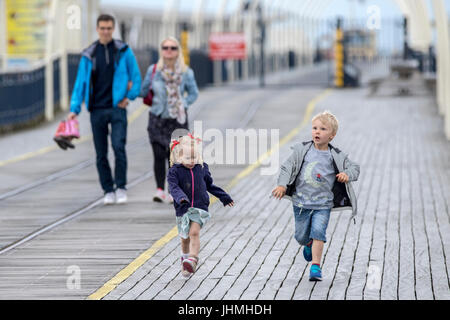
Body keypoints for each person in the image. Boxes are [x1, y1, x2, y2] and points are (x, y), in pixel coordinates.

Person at [271, 111, 359, 281]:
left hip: (323, 204)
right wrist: (282, 185)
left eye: (323, 129)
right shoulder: (302, 151)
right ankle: (308, 244)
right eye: (315, 128)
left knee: (319, 231)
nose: (317, 132)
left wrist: (347, 174)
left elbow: (355, 168)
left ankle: (316, 266)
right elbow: (286, 167)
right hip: (301, 202)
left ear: (332, 136)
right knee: (301, 236)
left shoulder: (336, 155)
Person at [67, 14, 141, 205]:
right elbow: (80, 84)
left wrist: (129, 97)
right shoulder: (89, 54)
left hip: (117, 108)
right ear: (97, 29)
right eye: (103, 28)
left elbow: (136, 77)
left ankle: (121, 187)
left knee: (118, 147)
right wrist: (74, 108)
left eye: (109, 28)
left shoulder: (123, 51)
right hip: (97, 110)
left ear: (113, 29)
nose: (106, 31)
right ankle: (108, 190)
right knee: (101, 153)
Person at [140, 36, 199, 203]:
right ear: (161, 51)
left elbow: (194, 93)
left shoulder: (187, 72)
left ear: (177, 51)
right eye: (165, 48)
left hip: (177, 120)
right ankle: (160, 190)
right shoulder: (154, 71)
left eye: (173, 48)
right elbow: (144, 91)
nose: (169, 51)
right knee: (158, 154)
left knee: (175, 158)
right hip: (157, 118)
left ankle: (174, 190)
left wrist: (183, 104)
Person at [167, 134, 234, 277]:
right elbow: (173, 188)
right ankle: (185, 261)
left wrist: (224, 196)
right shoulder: (174, 171)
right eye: (187, 158)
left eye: (194, 157)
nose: (192, 161)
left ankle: (193, 260)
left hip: (199, 207)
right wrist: (181, 198)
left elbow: (209, 185)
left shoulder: (202, 168)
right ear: (179, 157)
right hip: (183, 208)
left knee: (194, 233)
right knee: (185, 238)